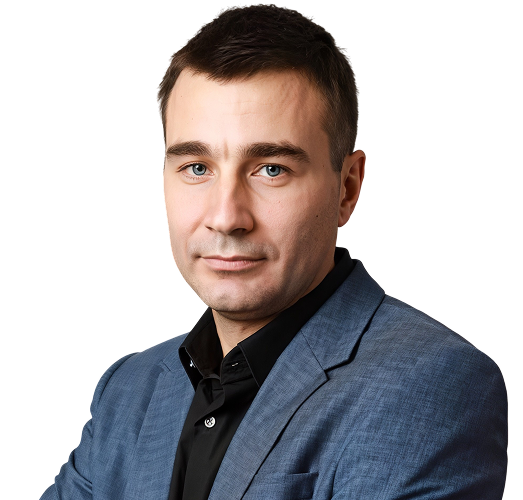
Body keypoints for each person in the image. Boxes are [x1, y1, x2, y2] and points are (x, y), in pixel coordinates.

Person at [41, 4, 508, 499]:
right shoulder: (127, 390)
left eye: (271, 169)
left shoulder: (429, 384)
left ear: (347, 188)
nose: (226, 217)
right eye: (197, 167)